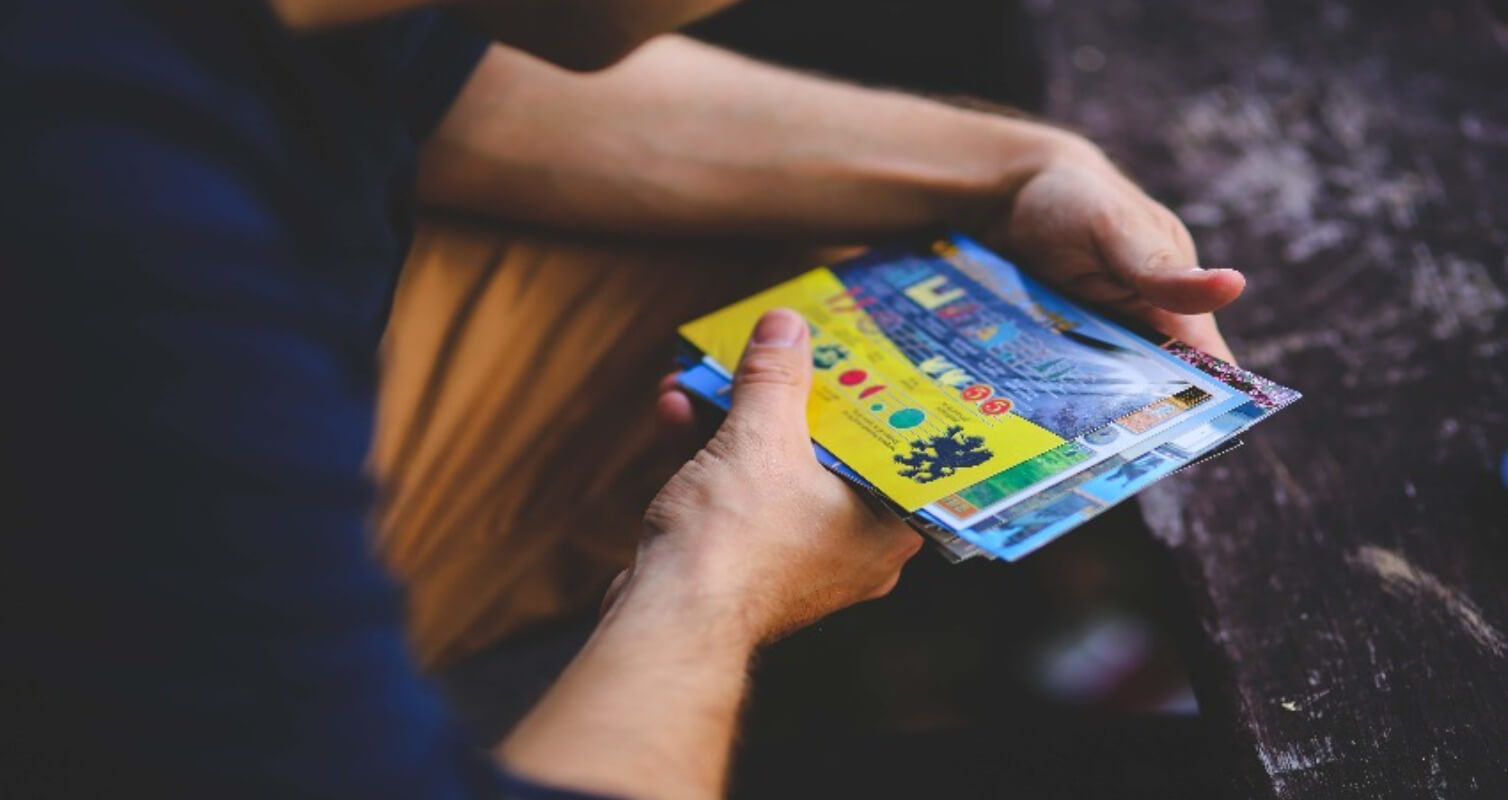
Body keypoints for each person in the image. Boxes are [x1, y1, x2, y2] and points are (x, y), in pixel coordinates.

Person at [3, 0, 1245, 797]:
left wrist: (1017, 164)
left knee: (873, 263)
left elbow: (445, 85)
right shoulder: (110, 230)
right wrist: (714, 582)